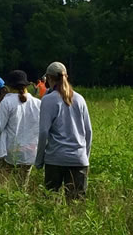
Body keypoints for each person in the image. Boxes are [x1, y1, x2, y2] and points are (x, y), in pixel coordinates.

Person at [34, 62, 93, 199]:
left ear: (49, 78)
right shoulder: (80, 99)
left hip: (55, 159)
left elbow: (43, 132)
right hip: (78, 159)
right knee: (76, 205)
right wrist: (85, 157)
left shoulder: (48, 100)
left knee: (50, 202)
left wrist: (39, 160)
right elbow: (88, 132)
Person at [0, 69, 40, 181]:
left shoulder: (7, 102)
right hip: (29, 152)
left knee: (4, 186)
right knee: (22, 187)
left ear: (9, 86)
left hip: (10, 152)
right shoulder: (38, 103)